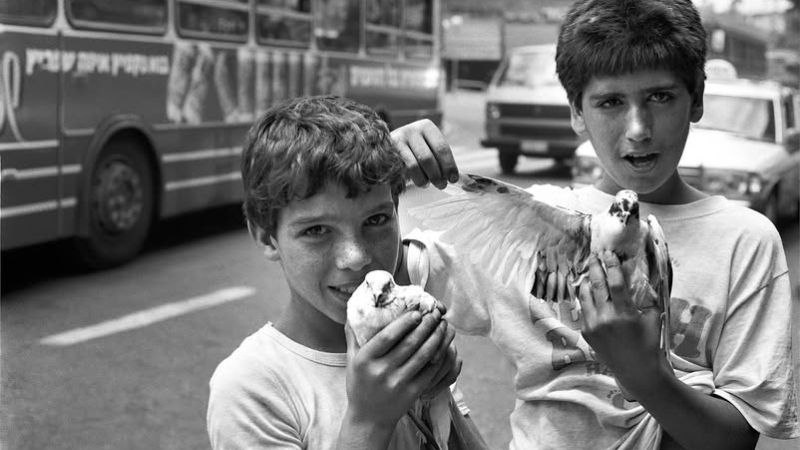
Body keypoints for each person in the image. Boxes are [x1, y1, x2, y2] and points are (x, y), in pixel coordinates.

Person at [390, 0, 799, 448]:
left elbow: (736, 439)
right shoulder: (526, 220)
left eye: (660, 97)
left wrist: (644, 374)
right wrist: (381, 176)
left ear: (697, 98)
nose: (638, 128)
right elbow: (377, 276)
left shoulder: (745, 241)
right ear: (576, 112)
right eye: (611, 102)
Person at [206, 95, 480, 449]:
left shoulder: (403, 340)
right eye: (317, 230)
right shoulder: (251, 389)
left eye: (376, 220)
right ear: (266, 237)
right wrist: (369, 420)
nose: (356, 257)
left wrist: (435, 396)